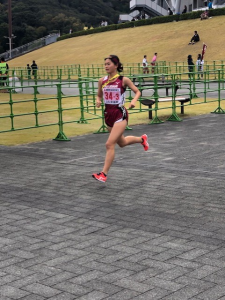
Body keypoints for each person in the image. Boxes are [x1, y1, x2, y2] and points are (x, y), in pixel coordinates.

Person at [92, 55, 149, 183]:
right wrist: (98, 100)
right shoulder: (102, 81)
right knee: (122, 143)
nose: (106, 66)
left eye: (108, 64)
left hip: (120, 113)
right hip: (108, 114)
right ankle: (142, 139)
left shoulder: (123, 80)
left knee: (109, 144)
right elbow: (99, 95)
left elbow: (137, 91)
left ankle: (103, 174)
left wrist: (134, 101)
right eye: (105, 64)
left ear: (116, 65)